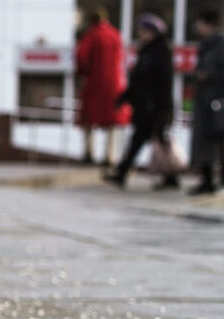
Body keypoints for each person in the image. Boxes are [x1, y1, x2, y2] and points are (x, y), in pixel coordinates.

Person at [103, 14, 177, 189]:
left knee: (157, 143)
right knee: (140, 141)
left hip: (156, 108)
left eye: (144, 31)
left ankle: (170, 176)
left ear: (153, 32)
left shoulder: (161, 52)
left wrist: (162, 108)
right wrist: (123, 98)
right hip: (144, 107)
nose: (140, 34)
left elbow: (165, 83)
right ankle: (123, 173)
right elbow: (137, 81)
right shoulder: (145, 51)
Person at [189, 8, 224, 195]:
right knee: (205, 141)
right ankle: (209, 179)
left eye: (199, 22)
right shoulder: (207, 44)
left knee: (215, 140)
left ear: (208, 23)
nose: (196, 27)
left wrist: (207, 76)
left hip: (216, 101)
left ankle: (218, 175)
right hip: (204, 100)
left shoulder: (222, 43)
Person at [75, 7, 130, 166]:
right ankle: (110, 155)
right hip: (114, 83)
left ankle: (88, 152)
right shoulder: (116, 35)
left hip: (95, 82)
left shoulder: (91, 35)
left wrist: (83, 73)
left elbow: (82, 57)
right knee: (113, 119)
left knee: (88, 117)